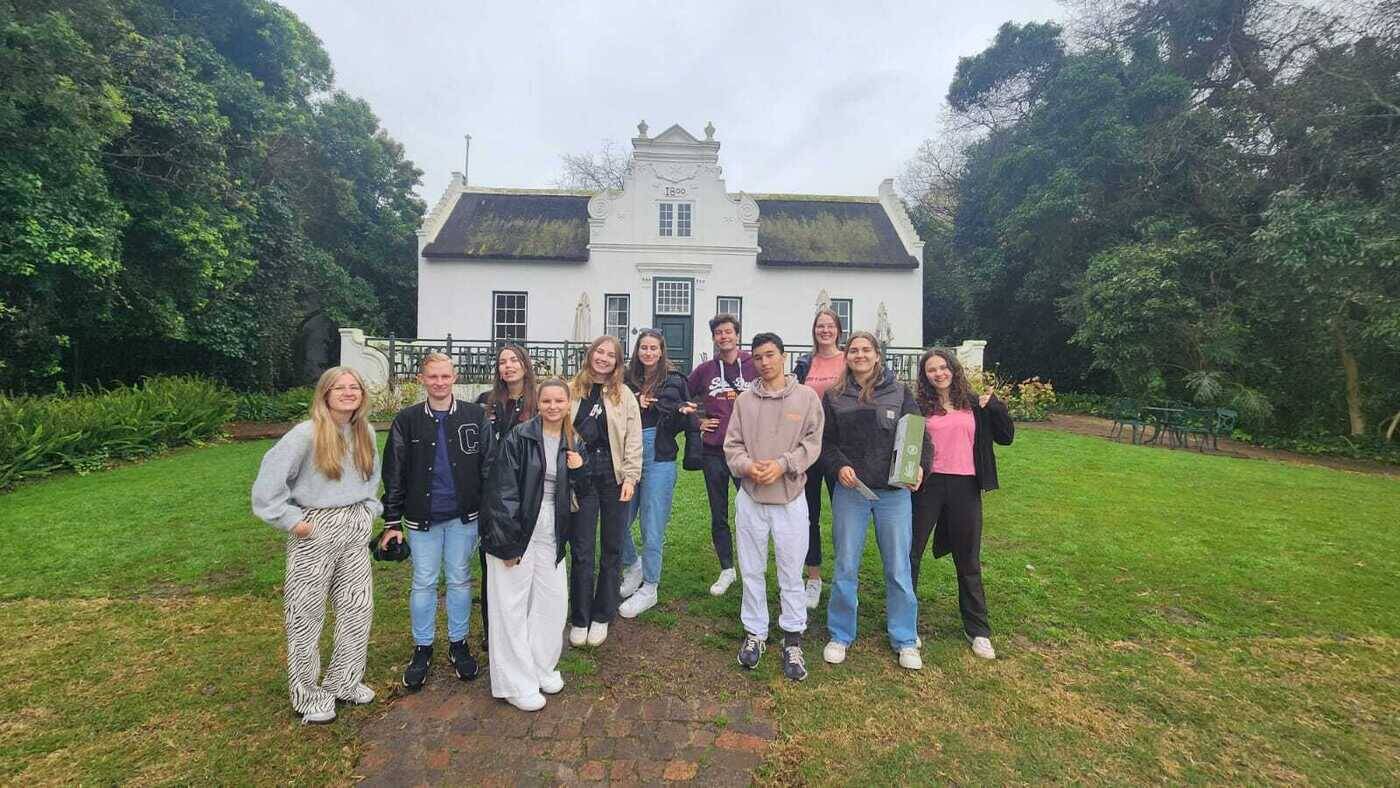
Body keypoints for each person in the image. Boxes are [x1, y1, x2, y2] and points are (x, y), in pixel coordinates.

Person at [251, 366, 382, 725]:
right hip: (315, 529)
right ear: (325, 394)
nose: (348, 393)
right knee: (306, 613)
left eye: (354, 387)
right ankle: (307, 693)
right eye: (340, 388)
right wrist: (293, 521)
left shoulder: (365, 432)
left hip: (353, 527)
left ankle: (344, 680)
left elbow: (372, 478)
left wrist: (369, 509)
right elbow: (268, 485)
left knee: (358, 608)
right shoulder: (305, 434)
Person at [378, 352, 494, 690]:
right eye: (433, 377)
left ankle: (459, 644)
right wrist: (391, 521)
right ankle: (423, 648)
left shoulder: (475, 415)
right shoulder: (407, 420)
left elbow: (489, 465)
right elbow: (394, 472)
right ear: (421, 379)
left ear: (454, 377)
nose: (439, 382)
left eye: (445, 376)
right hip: (421, 518)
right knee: (424, 582)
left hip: (464, 517)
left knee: (460, 580)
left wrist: (490, 513)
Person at [820, 331, 931, 671]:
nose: (860, 355)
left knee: (898, 567)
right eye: (854, 350)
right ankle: (840, 634)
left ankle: (905, 638)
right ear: (846, 356)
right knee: (845, 566)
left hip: (893, 494)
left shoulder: (899, 392)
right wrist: (839, 466)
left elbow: (920, 436)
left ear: (877, 355)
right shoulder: (834, 395)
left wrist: (920, 466)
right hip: (851, 492)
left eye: (866, 350)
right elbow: (826, 443)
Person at [482, 378, 590, 711]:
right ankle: (514, 682)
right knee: (510, 605)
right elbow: (502, 491)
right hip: (517, 526)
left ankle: (540, 666)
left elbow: (582, 493)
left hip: (552, 528)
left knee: (552, 602)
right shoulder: (520, 437)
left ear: (569, 404)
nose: (553, 406)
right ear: (538, 404)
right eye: (547, 401)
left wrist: (580, 470)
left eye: (560, 401)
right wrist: (507, 544)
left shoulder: (574, 441)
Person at [724, 333, 824, 681]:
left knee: (790, 572)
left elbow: (813, 443)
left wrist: (783, 464)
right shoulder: (744, 401)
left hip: (789, 498)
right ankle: (755, 632)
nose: (764, 362)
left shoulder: (806, 397)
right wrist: (747, 466)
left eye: (770, 355)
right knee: (751, 569)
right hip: (751, 497)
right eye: (758, 357)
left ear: (783, 356)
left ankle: (792, 638)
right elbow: (732, 444)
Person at [910, 348, 1014, 661]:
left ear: (953, 369)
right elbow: (909, 444)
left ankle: (978, 630)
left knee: (968, 559)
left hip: (965, 486)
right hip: (927, 486)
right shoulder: (919, 407)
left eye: (943, 367)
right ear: (925, 376)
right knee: (910, 554)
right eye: (931, 370)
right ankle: (905, 624)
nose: (938, 373)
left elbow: (1006, 437)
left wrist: (995, 406)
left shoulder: (974, 403)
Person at [568, 335, 642, 647]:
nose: (603, 358)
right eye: (599, 351)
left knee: (612, 549)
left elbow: (634, 439)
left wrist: (631, 478)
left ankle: (602, 614)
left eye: (610, 355)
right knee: (582, 550)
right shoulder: (572, 389)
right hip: (582, 479)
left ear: (617, 362)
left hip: (614, 480)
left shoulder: (624, 395)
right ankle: (580, 616)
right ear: (590, 354)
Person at [618, 329, 691, 618]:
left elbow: (677, 409)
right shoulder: (625, 379)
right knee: (618, 518)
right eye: (643, 347)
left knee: (652, 525)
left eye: (653, 348)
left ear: (661, 351)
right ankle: (633, 564)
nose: (648, 352)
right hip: (628, 452)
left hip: (658, 454)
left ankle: (650, 586)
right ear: (637, 351)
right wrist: (635, 401)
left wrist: (666, 406)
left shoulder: (673, 379)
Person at [686, 313, 755, 597]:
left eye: (728, 331)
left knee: (750, 512)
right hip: (714, 451)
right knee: (719, 513)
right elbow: (681, 398)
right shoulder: (705, 370)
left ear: (737, 334)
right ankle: (727, 568)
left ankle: (751, 567)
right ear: (714, 338)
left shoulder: (754, 364)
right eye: (719, 333)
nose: (724, 336)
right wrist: (698, 422)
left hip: (747, 452)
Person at [475, 344, 539, 648]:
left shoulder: (538, 403)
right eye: (502, 362)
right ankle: (494, 633)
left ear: (525, 365)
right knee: (493, 565)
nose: (508, 366)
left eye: (514, 360)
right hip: (491, 494)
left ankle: (526, 630)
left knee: (527, 564)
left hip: (527, 492)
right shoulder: (486, 403)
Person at [791, 307, 845, 609]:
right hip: (809, 446)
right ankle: (813, 577)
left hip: (841, 448)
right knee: (808, 514)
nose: (825, 330)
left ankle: (845, 576)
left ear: (838, 330)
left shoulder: (849, 359)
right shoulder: (805, 363)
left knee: (844, 515)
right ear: (814, 331)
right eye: (820, 326)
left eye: (830, 326)